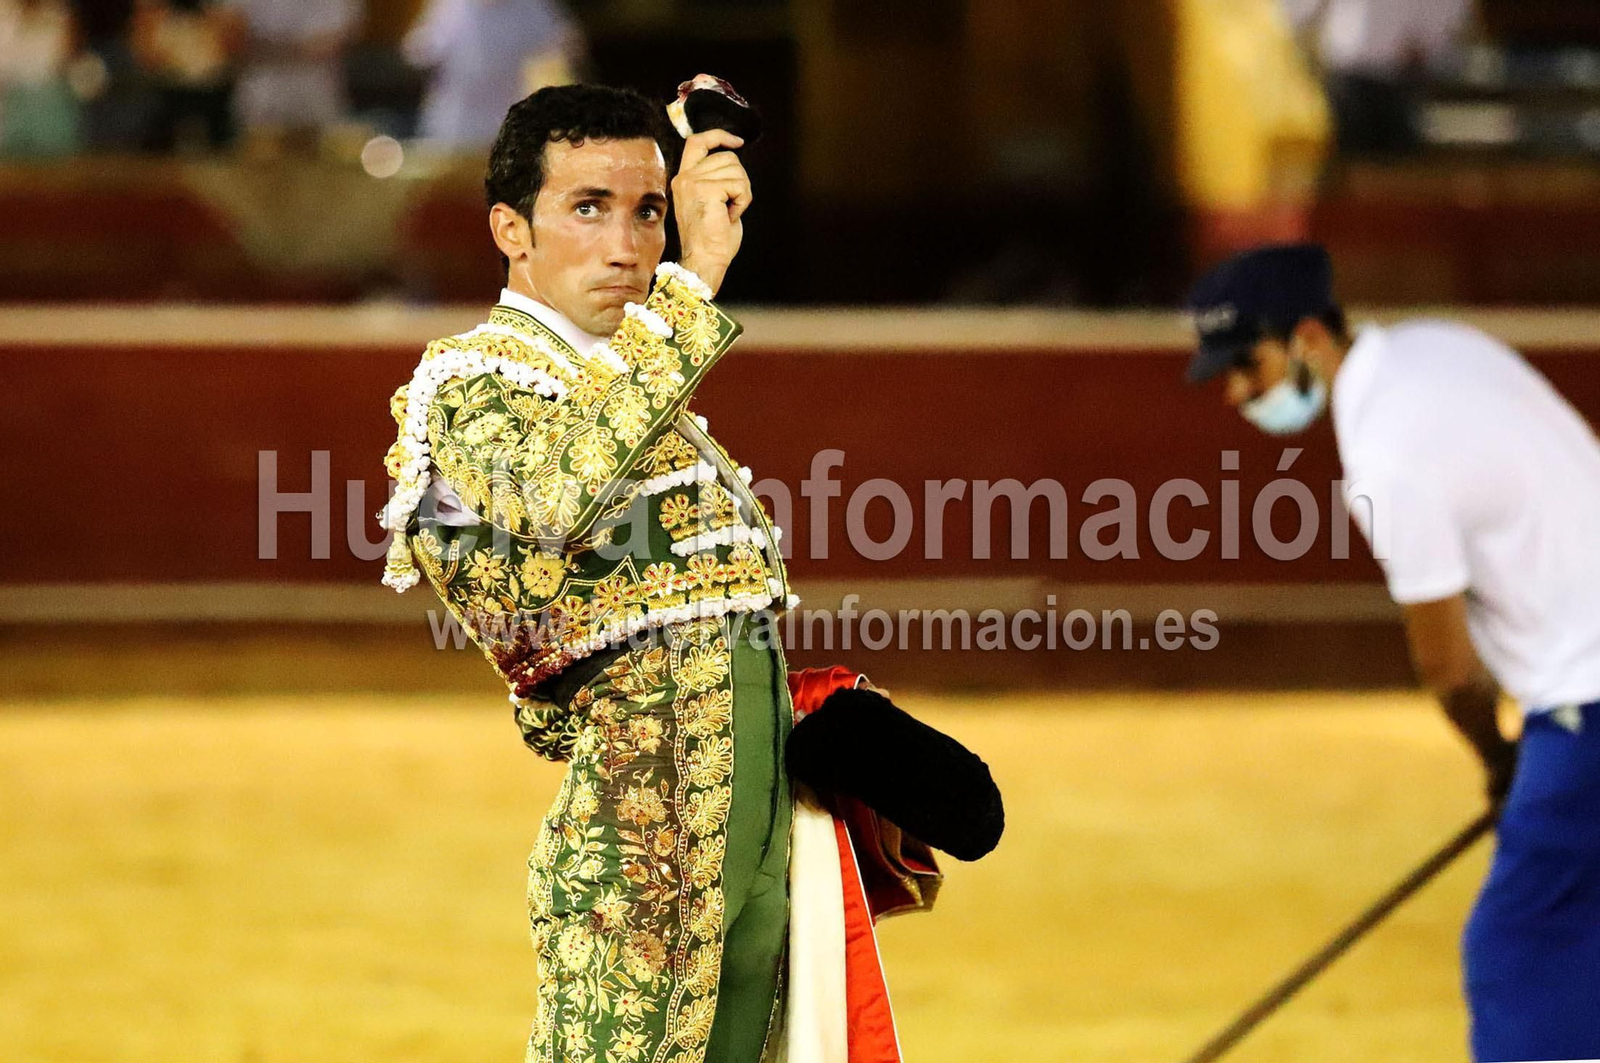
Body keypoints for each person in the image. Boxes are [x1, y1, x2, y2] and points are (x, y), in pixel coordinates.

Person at [377, 84, 796, 1063]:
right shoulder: (475, 379)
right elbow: (558, 492)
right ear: (509, 229)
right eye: (588, 207)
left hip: (743, 835)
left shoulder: (640, 395)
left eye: (649, 210)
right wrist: (694, 287)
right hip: (638, 852)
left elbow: (705, 627)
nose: (629, 246)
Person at [1185, 243, 1600, 1062]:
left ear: (1307, 338)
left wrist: (1500, 759)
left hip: (1585, 703)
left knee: (1519, 954)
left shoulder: (1386, 454)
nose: (1238, 392)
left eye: (1248, 366)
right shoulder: (1443, 347)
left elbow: (1447, 668)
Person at [1282, 0, 1473, 154]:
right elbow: (1295, 13)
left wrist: (1430, 43)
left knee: (1399, 170)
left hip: (1401, 81)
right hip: (1346, 80)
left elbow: (1451, 15)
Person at [403, 0, 583, 149]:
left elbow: (564, 48)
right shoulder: (452, 7)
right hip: (454, 132)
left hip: (508, 131)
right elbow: (419, 52)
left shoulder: (532, 7)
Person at [214, 0, 356, 147]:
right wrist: (296, 49)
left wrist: (258, 48)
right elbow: (228, 38)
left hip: (316, 103)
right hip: (258, 105)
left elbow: (328, 45)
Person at [0, 0, 81, 157]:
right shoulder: (5, 15)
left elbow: (66, 63)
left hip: (51, 110)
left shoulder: (59, 16)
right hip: (10, 109)